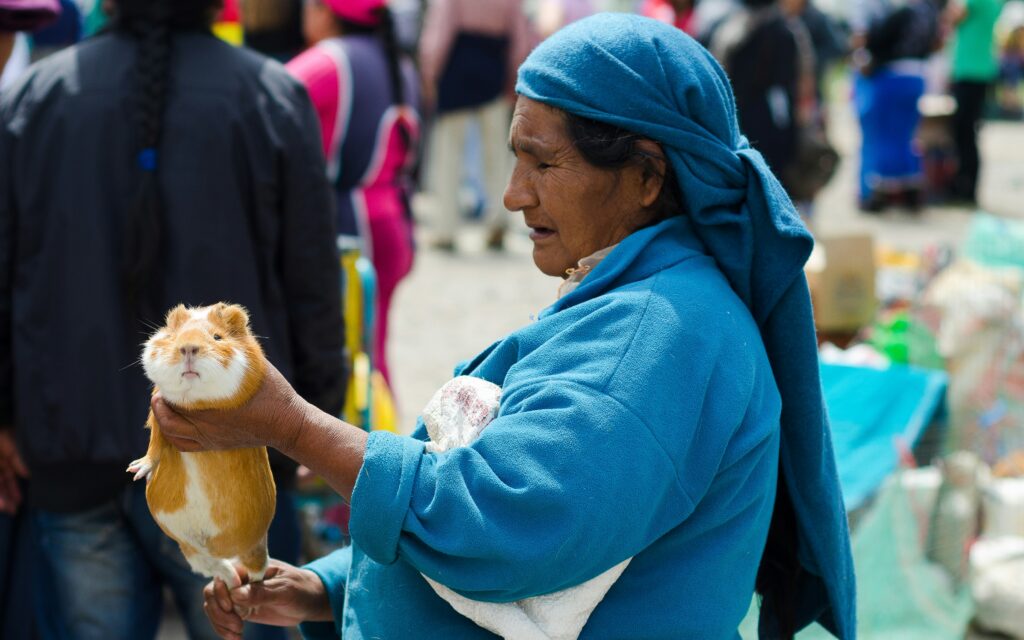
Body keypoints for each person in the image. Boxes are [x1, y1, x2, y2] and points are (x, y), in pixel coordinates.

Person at [155, 14, 855, 640]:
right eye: (516, 157)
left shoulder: (655, 338)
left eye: (544, 163)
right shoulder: (638, 297)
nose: (515, 195)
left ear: (645, 176)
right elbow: (516, 486)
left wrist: (291, 425)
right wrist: (331, 587)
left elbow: (503, 521)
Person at [0, 0, 346, 638]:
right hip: (236, 456)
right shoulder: (271, 95)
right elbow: (313, 284)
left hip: (71, 445)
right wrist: (315, 415)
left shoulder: (34, 98)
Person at [287, 0, 420, 388]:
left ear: (325, 10)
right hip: (391, 220)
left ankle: (361, 443)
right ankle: (384, 434)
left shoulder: (328, 62)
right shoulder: (399, 62)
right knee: (372, 356)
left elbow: (263, 98)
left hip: (351, 228)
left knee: (347, 363)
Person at [418, 0, 533, 252]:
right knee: (496, 153)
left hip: (456, 67)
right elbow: (520, 37)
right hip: (493, 68)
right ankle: (498, 220)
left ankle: (445, 227)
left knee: (448, 153)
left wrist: (429, 74)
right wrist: (515, 80)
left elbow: (438, 34)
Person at [854, 0, 945, 211]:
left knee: (885, 135)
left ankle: (879, 193)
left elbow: (875, 40)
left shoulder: (904, 12)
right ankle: (911, 189)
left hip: (892, 76)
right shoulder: (930, 14)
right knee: (906, 136)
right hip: (917, 76)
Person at [947, 0, 1005, 205]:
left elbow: (952, 17)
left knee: (964, 133)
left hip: (970, 71)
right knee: (968, 132)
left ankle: (965, 188)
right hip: (980, 70)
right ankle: (966, 186)